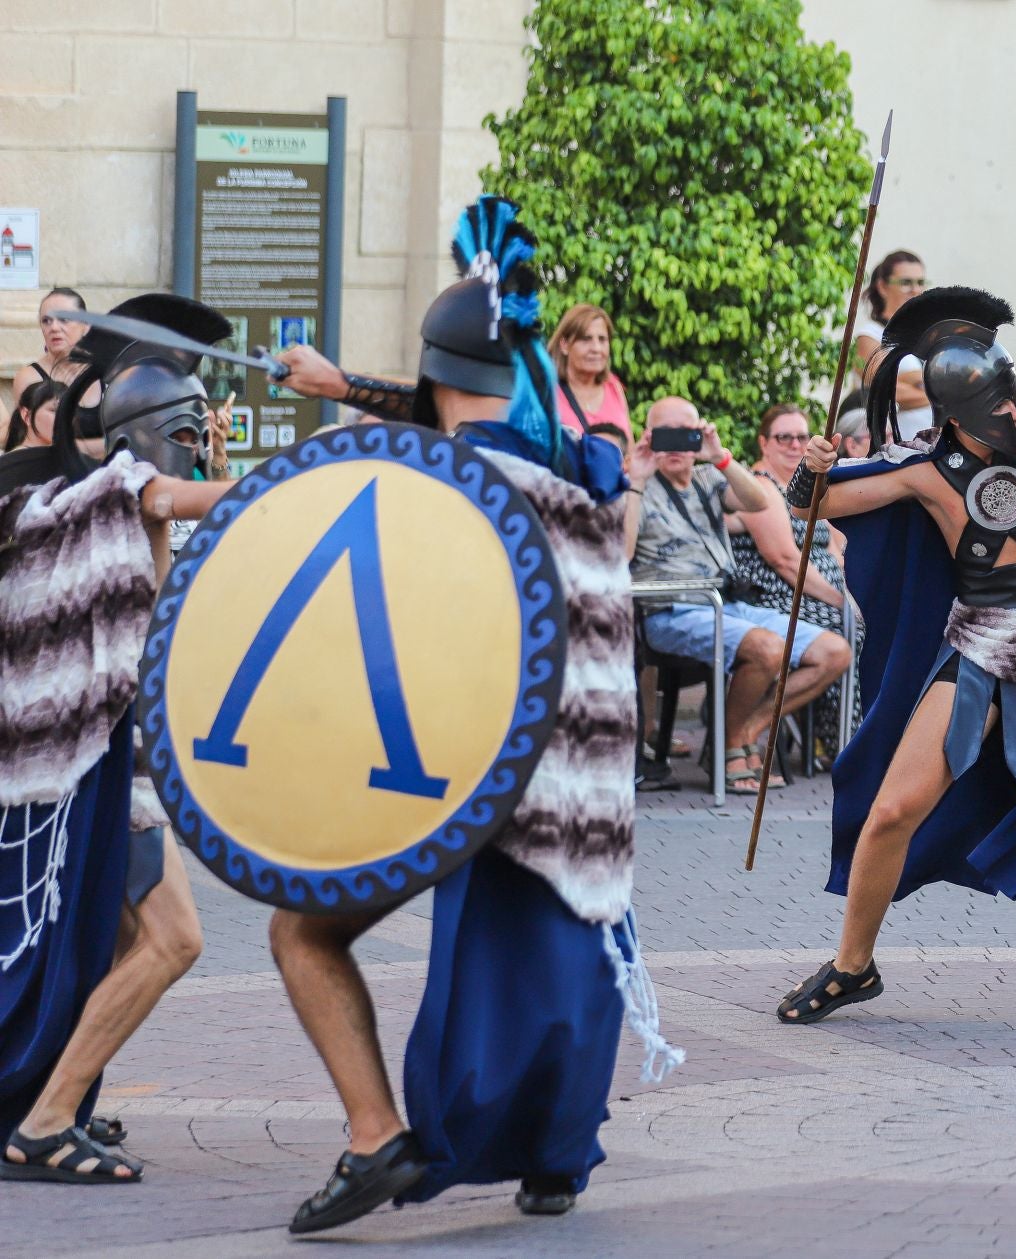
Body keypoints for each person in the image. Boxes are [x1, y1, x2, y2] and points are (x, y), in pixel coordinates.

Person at [258, 198, 682, 1231]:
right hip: (579, 795)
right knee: (563, 949)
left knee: (299, 933)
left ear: (435, 377)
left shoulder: (432, 481)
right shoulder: (575, 492)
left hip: (458, 773)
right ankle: (555, 1155)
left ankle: (377, 1134)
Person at [773, 285, 1016, 1037]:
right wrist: (812, 470)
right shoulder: (924, 469)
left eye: (1010, 395)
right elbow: (817, 506)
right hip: (978, 643)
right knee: (890, 811)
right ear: (955, 412)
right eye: (992, 404)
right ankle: (853, 964)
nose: (1011, 414)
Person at [0, 296, 231, 1188]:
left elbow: (151, 607)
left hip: (78, 773)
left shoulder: (91, 502)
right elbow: (180, 491)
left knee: (156, 937)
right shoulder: (102, 491)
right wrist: (311, 478)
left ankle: (52, 1097)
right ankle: (48, 1114)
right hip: (68, 775)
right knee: (173, 939)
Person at [630, 395, 853, 793]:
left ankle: (744, 730)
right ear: (649, 436)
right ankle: (732, 745)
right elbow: (623, 551)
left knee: (834, 652)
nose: (677, 446)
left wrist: (719, 457)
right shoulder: (637, 484)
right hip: (669, 610)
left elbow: (759, 500)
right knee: (768, 649)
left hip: (726, 604)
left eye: (687, 434)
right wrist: (637, 479)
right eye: (668, 435)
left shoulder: (708, 479)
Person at [733, 401, 859, 759]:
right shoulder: (763, 485)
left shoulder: (809, 485)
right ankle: (830, 738)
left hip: (815, 592)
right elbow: (785, 560)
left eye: (801, 437)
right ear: (764, 443)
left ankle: (847, 736)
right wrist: (841, 602)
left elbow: (835, 547)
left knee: (872, 621)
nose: (793, 444)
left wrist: (854, 593)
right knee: (848, 628)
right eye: (783, 437)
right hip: (776, 595)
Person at [853, 250, 932, 437]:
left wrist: (911, 380)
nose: (915, 290)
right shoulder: (870, 336)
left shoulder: (928, 336)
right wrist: (941, 396)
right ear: (882, 286)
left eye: (920, 283)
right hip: (894, 448)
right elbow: (882, 390)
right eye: (906, 283)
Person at [547, 302, 630, 436]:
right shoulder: (547, 391)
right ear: (564, 345)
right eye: (586, 339)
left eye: (602, 339)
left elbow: (628, 452)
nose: (596, 349)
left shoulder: (613, 387)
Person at [8, 288, 86, 405]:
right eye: (46, 320)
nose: (54, 327)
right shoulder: (29, 379)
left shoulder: (103, 371)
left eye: (64, 319)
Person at [4, 379, 61, 452]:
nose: (64, 415)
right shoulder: (15, 460)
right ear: (26, 415)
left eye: (68, 409)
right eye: (54, 410)